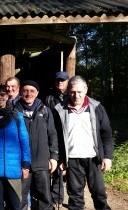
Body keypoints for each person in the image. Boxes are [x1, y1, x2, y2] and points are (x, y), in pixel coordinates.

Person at [54, 75, 113, 210]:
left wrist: (107, 156)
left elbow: (107, 134)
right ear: (68, 91)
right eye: (73, 92)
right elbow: (56, 136)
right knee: (75, 197)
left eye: (79, 92)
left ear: (86, 90)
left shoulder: (97, 107)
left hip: (93, 158)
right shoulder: (60, 110)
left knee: (99, 194)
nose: (76, 95)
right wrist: (60, 159)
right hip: (72, 160)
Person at [14, 80, 58, 210]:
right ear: (21, 92)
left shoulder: (45, 111)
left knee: (44, 197)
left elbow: (53, 135)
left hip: (42, 162)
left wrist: (54, 157)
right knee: (20, 198)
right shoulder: (14, 112)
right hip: (21, 164)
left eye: (32, 91)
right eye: (26, 91)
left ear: (37, 93)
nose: (29, 94)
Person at [44, 71, 69, 208]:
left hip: (65, 138)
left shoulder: (71, 97)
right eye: (58, 80)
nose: (60, 82)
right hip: (51, 136)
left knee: (61, 169)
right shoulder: (48, 97)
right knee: (49, 167)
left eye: (63, 80)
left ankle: (57, 199)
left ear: (67, 82)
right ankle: (46, 196)